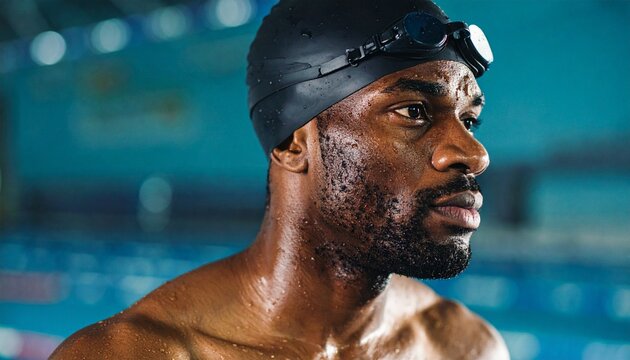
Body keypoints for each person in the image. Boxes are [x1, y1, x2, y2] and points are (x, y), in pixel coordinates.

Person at [51, 0, 510, 358]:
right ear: (293, 144)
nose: (474, 154)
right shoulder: (133, 355)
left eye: (469, 121)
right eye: (413, 112)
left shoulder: (465, 348)